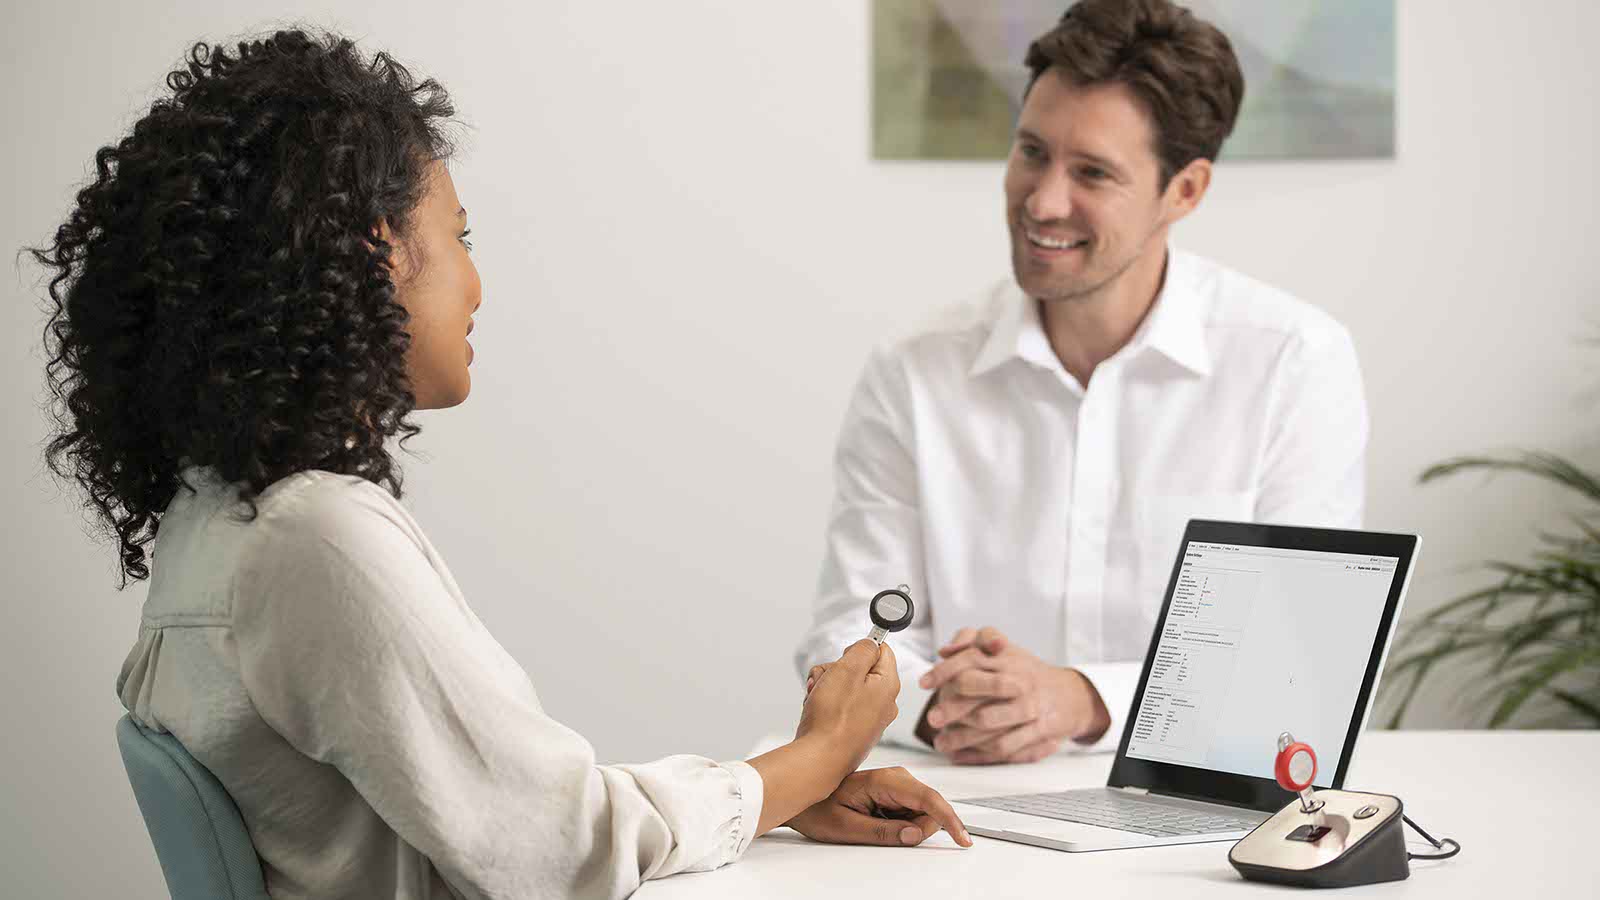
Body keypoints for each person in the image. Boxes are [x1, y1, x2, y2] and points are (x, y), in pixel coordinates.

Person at [35, 30, 969, 900]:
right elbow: (560, 852)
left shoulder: (223, 518)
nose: (476, 284)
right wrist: (824, 749)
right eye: (461, 237)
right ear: (374, 253)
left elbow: (522, 809)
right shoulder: (313, 539)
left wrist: (775, 796)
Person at [797, 0, 1368, 765]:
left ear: (1186, 191)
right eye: (1032, 152)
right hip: (962, 809)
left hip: (1198, 812)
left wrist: (1079, 700)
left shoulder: (1294, 363)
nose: (1042, 201)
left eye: (1092, 172)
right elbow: (852, 635)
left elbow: (1296, 662)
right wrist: (956, 710)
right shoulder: (913, 370)